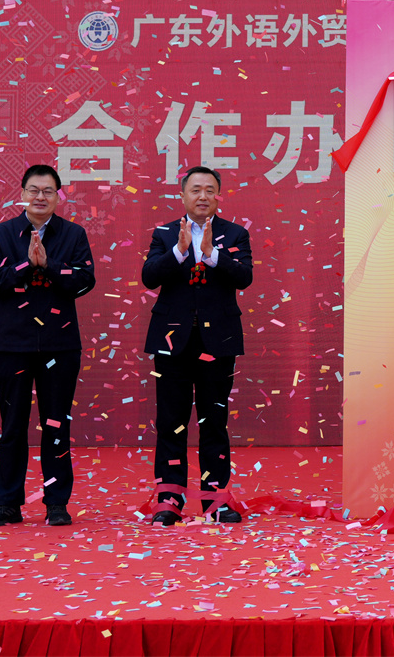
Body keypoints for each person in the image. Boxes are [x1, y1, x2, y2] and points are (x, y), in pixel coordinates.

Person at [0, 164, 95, 527]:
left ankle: (56, 504)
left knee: (56, 426)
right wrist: (25, 266)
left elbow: (85, 281)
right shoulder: (1, 234)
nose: (40, 197)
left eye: (47, 191)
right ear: (22, 194)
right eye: (34, 190)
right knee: (13, 426)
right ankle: (7, 504)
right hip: (12, 344)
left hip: (60, 345)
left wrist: (50, 265)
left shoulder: (73, 234)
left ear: (58, 196)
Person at [142, 166, 253, 525]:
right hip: (171, 341)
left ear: (218, 195)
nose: (202, 196)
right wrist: (179, 251)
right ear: (183, 195)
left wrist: (212, 255)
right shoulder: (164, 234)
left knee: (214, 422)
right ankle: (169, 500)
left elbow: (245, 277)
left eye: (209, 190)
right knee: (170, 421)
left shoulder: (235, 233)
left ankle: (215, 501)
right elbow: (149, 277)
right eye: (195, 189)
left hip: (217, 341)